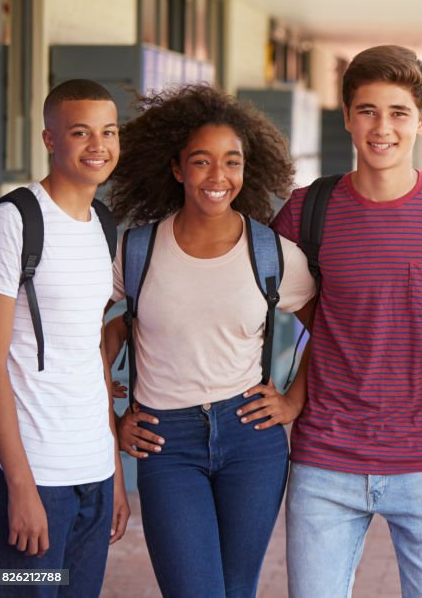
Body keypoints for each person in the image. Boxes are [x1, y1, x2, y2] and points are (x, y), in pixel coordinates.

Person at [270, 44, 422, 598]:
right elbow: (249, 284)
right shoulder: (307, 210)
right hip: (325, 459)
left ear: (421, 120)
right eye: (367, 110)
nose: (382, 127)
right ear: (346, 117)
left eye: (397, 112)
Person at [104, 84, 316, 598]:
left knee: (236, 590)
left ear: (247, 168)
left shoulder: (272, 253)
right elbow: (90, 334)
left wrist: (293, 400)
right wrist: (110, 422)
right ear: (177, 168)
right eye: (201, 161)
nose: (218, 177)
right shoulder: (138, 250)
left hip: (251, 439)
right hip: (165, 440)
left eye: (232, 161)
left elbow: (330, 328)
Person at [0, 79, 129, 597]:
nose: (99, 145)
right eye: (80, 132)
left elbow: (90, 353)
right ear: (50, 140)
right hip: (33, 474)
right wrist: (20, 487)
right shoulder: (14, 221)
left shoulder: (102, 225)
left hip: (91, 472)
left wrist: (111, 469)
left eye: (109, 131)